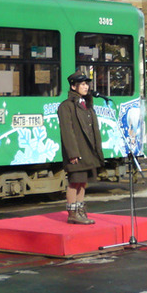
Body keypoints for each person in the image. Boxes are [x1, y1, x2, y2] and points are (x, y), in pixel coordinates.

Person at [57, 71, 104, 225]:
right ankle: (72, 213)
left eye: (86, 84)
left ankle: (80, 210)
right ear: (73, 86)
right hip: (77, 151)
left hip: (88, 151)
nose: (86, 87)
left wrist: (97, 151)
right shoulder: (66, 106)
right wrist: (73, 153)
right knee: (74, 181)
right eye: (82, 84)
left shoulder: (87, 105)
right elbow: (67, 131)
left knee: (83, 182)